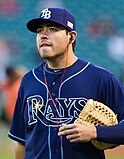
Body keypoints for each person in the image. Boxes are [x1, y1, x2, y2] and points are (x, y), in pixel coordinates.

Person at [8, 8, 124, 159]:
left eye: (53, 29)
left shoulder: (101, 78)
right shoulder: (28, 81)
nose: (43, 35)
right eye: (39, 30)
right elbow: (21, 141)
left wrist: (95, 132)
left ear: (72, 36)